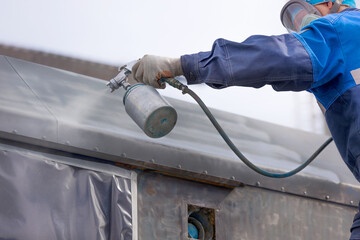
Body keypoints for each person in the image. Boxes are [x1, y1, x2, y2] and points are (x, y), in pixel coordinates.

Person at [128, 0, 360, 238]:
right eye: (293, 20)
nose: (301, 26)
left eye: (303, 14)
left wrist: (181, 65)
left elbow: (272, 58)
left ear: (331, 2)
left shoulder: (337, 31)